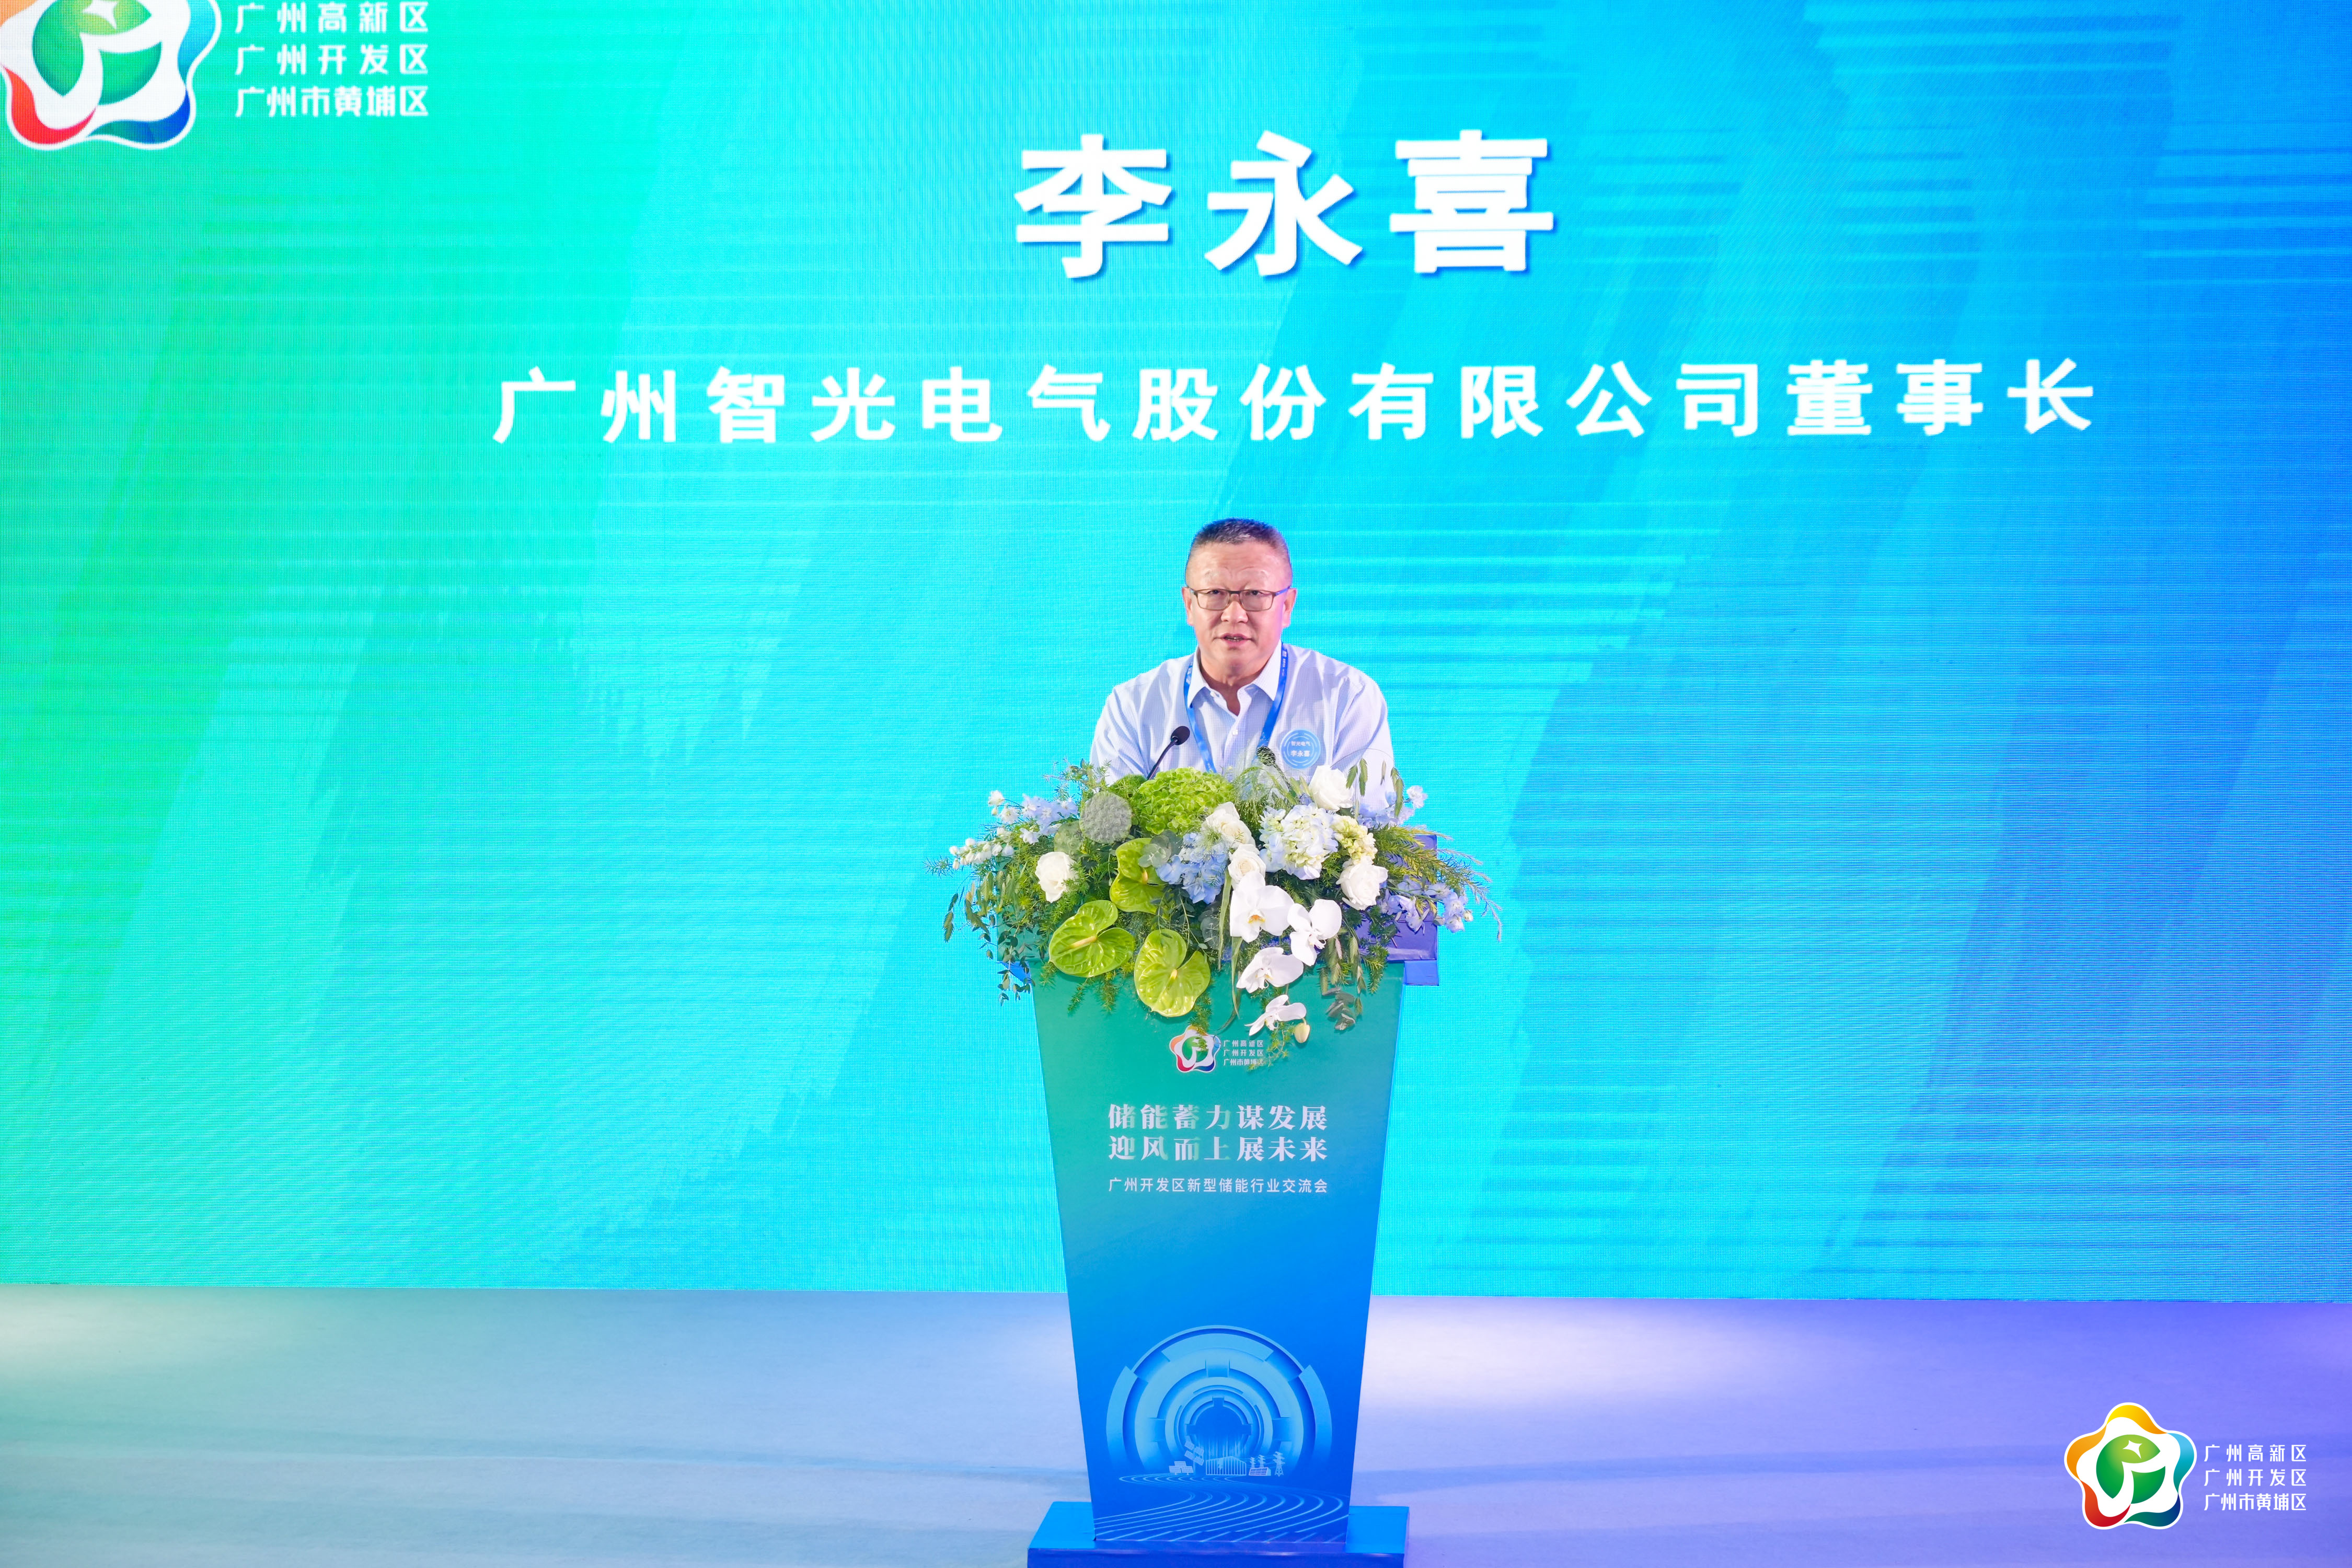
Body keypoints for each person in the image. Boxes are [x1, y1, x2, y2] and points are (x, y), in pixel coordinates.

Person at [1091, 519, 1396, 788]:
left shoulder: (1346, 696)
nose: (1234, 615)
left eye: (1255, 594)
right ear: (1189, 605)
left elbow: (1369, 827)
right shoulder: (1133, 705)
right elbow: (1110, 827)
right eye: (1214, 593)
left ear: (1287, 606)